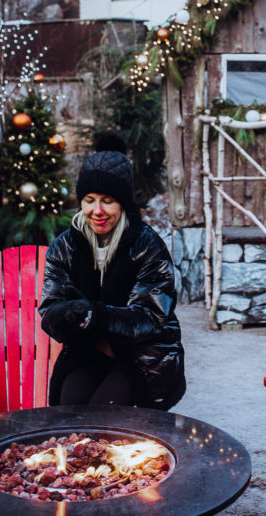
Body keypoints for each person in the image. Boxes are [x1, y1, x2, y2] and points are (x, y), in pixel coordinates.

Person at [39, 136, 185, 410]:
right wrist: (65, 315)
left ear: (124, 204)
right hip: (88, 351)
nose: (97, 211)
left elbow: (151, 316)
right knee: (69, 411)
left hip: (143, 357)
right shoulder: (65, 247)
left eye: (108, 200)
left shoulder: (147, 245)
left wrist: (94, 315)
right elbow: (50, 307)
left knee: (104, 413)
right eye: (89, 200)